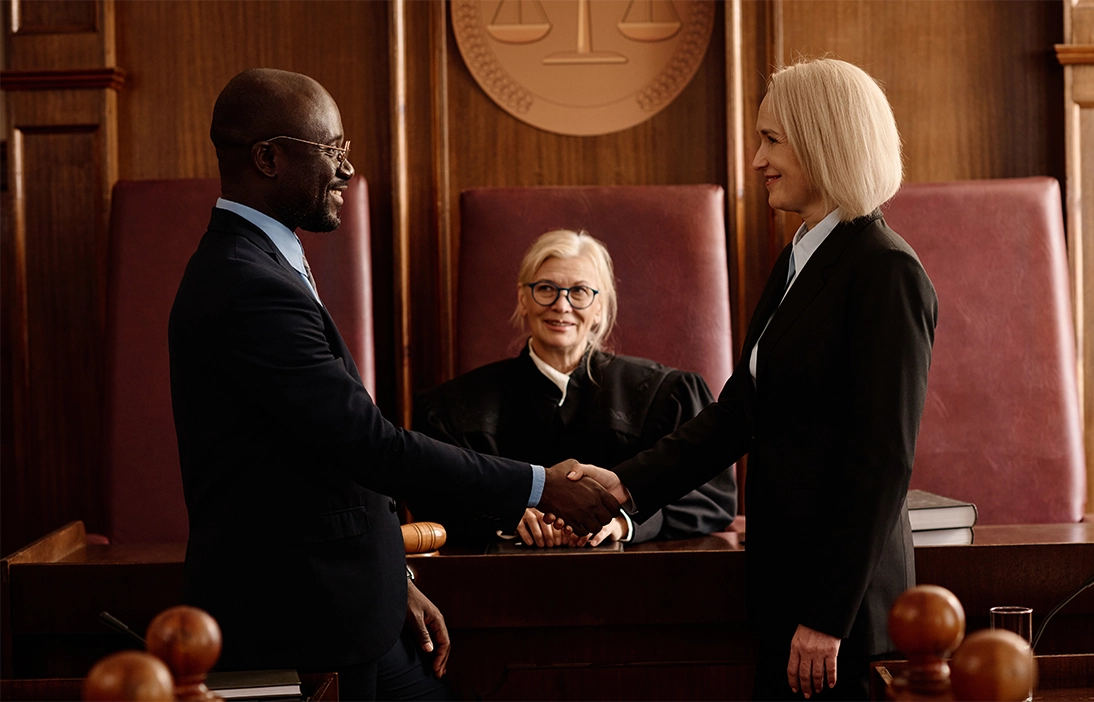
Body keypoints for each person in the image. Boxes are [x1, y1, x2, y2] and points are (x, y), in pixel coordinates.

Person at [168, 68, 620, 701]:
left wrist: (392, 577)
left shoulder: (266, 263)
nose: (347, 169)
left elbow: (318, 459)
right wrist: (541, 485)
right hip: (302, 623)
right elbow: (368, 444)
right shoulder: (246, 284)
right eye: (332, 150)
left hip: (358, 606)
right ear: (267, 158)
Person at [566, 58, 938, 700]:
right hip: (785, 592)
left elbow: (881, 461)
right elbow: (739, 414)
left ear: (823, 142)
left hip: (841, 617)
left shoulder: (884, 270)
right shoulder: (799, 255)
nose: (758, 158)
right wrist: (625, 483)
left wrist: (825, 617)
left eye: (772, 139)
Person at [412, 230, 737, 547]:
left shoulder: (667, 395)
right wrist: (502, 513)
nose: (561, 305)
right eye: (545, 288)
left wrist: (622, 522)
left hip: (635, 585)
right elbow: (430, 497)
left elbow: (710, 499)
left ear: (600, 308)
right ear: (523, 299)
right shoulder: (452, 408)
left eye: (579, 291)